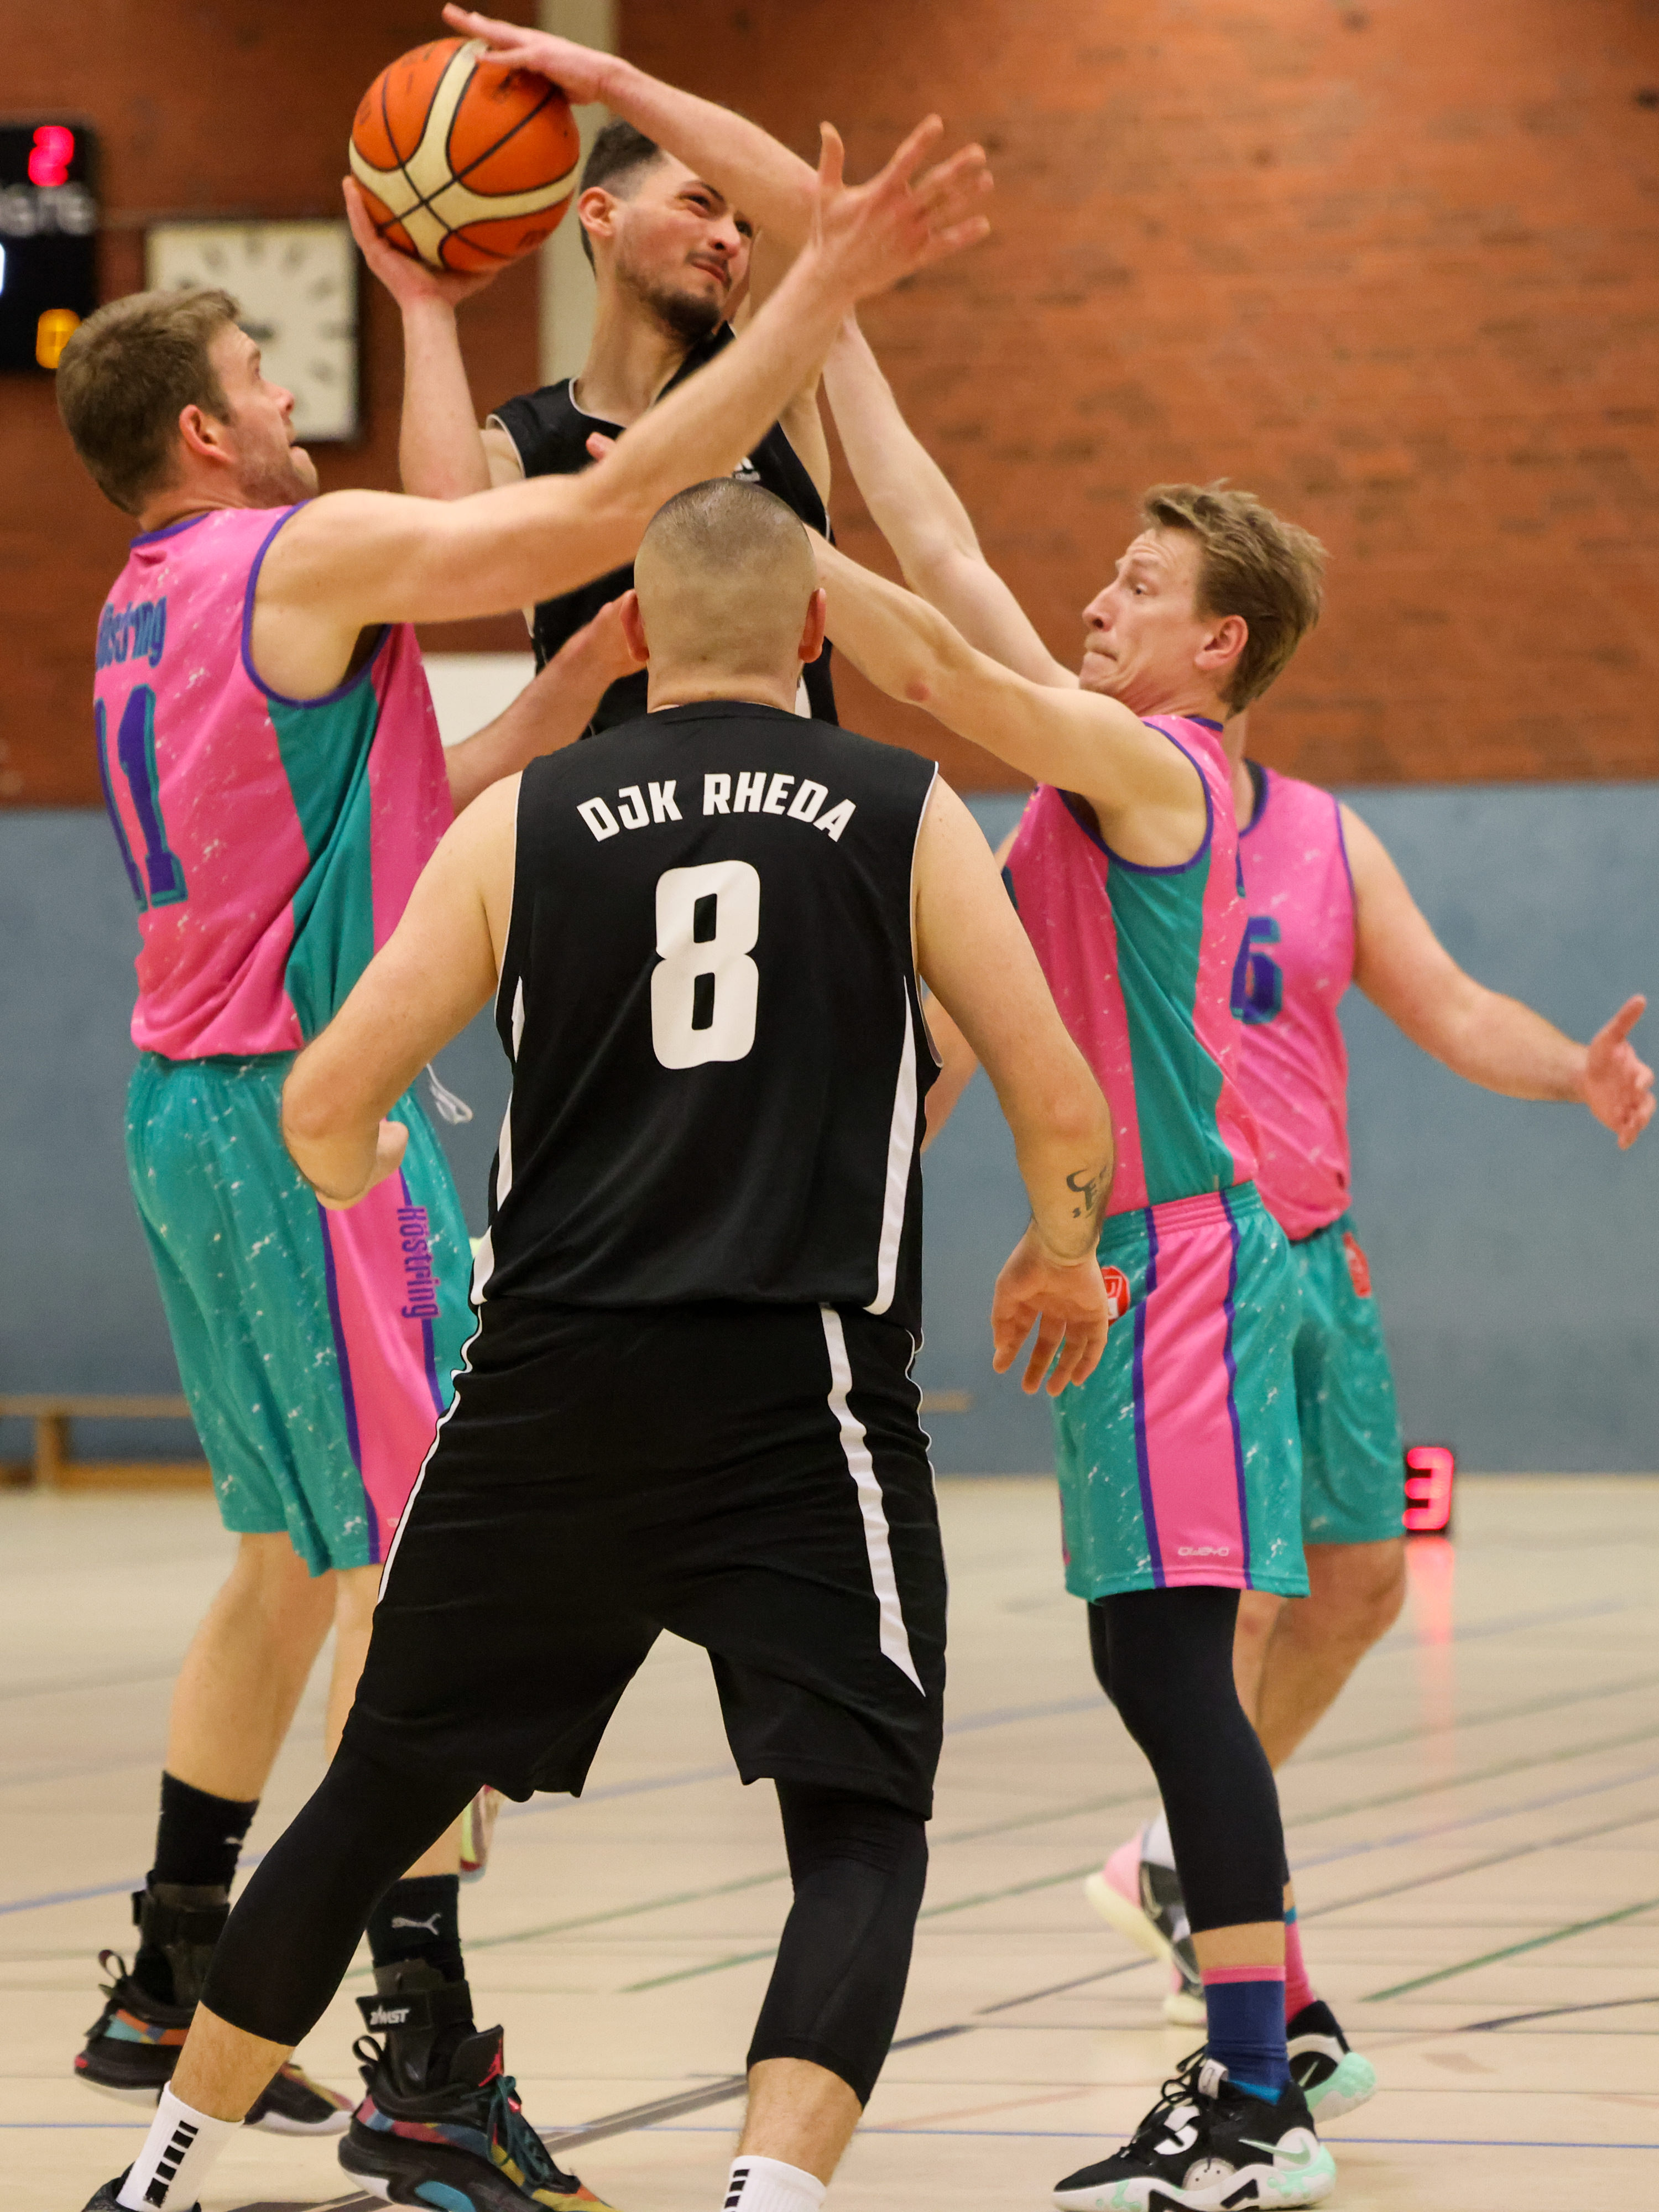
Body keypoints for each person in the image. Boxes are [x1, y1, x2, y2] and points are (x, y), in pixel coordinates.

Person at [59, 116, 992, 2207]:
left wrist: (567, 671)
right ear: (206, 433)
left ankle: (173, 1961)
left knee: (291, 1552)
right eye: (265, 379)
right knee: (403, 1583)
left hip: (177, 1102)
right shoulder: (289, 554)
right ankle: (418, 2051)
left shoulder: (146, 601)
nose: (288, 405)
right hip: (304, 1100)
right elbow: (578, 507)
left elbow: (412, 792)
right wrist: (826, 295)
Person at [814, 332, 1352, 2208]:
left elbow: (941, 664)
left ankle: (1257, 2091)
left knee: (1177, 1662)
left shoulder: (1156, 765)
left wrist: (740, 536)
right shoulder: (1104, 756)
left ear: (1220, 642)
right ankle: (1275, 2043)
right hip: (1138, 1251)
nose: (1099, 601)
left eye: (1140, 585)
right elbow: (946, 554)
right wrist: (834, 321)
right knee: (1157, 1657)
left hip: (1179, 1259)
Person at [1071, 708, 1652, 2036]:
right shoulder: (1095, 817)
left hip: (1324, 1255)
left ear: (1236, 649)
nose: (1108, 618)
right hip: (1198, 1259)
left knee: (1362, 1581)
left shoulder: (1327, 836)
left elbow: (1451, 1003)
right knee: (1239, 1606)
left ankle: (1172, 1850)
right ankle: (1240, 1952)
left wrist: (1573, 1070)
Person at [359, 1, 864, 731]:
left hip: (791, 797)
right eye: (699, 204)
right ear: (600, 214)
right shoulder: (528, 444)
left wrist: (612, 83)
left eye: (743, 225)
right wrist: (426, 306)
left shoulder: (762, 381)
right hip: (613, 802)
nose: (731, 238)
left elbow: (803, 204)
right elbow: (451, 539)